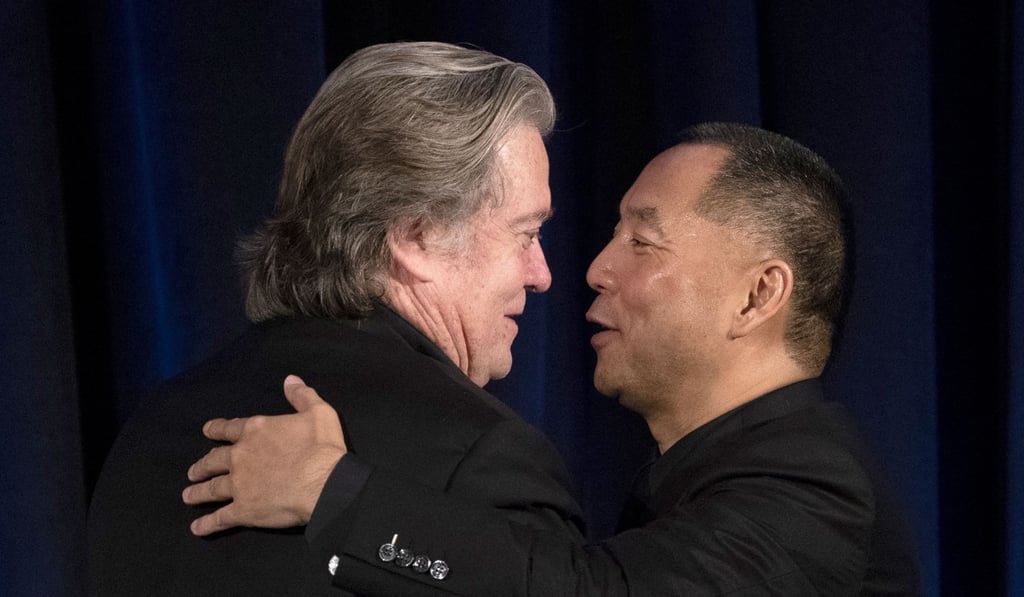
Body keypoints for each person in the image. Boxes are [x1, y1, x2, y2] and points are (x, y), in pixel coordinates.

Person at [184, 122, 921, 595]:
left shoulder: (815, 486)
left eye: (643, 242)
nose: (595, 268)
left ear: (758, 295)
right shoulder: (721, 471)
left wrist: (333, 492)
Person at [87, 41, 586, 596]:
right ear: (417, 237)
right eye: (527, 233)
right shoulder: (486, 459)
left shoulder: (151, 432)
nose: (541, 274)